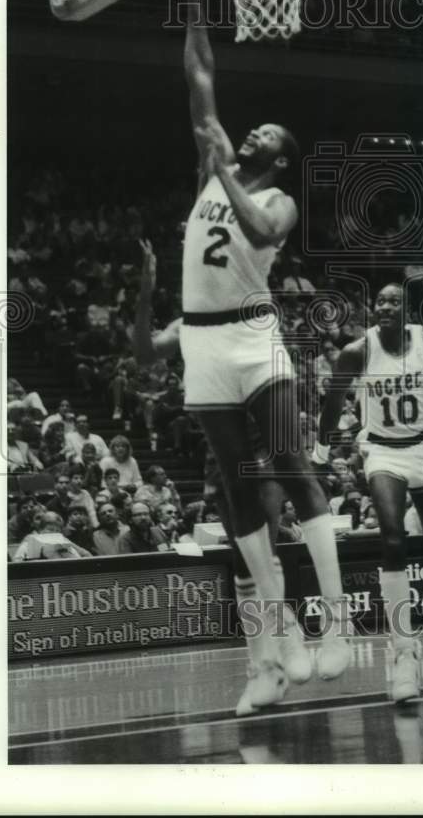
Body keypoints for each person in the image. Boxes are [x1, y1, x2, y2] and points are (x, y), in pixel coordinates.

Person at [177, 0, 351, 708]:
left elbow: (254, 228)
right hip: (202, 344)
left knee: (288, 460)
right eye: (254, 127)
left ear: (278, 157)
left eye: (267, 133)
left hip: (255, 340)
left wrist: (223, 171)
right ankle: (279, 633)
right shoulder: (214, 166)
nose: (252, 130)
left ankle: (337, 620)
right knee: (232, 483)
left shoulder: (278, 200)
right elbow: (200, 75)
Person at [132, 237, 312, 716]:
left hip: (263, 443)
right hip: (220, 449)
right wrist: (145, 293)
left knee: (262, 548)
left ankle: (281, 643)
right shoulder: (188, 326)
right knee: (241, 560)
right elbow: (145, 354)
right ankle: (265, 665)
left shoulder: (253, 312)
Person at [317, 282, 423, 704]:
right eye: (380, 301)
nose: (384, 306)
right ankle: (403, 651)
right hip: (382, 451)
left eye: (393, 301)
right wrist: (319, 450)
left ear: (407, 310)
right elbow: (333, 401)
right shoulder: (357, 352)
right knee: (392, 538)